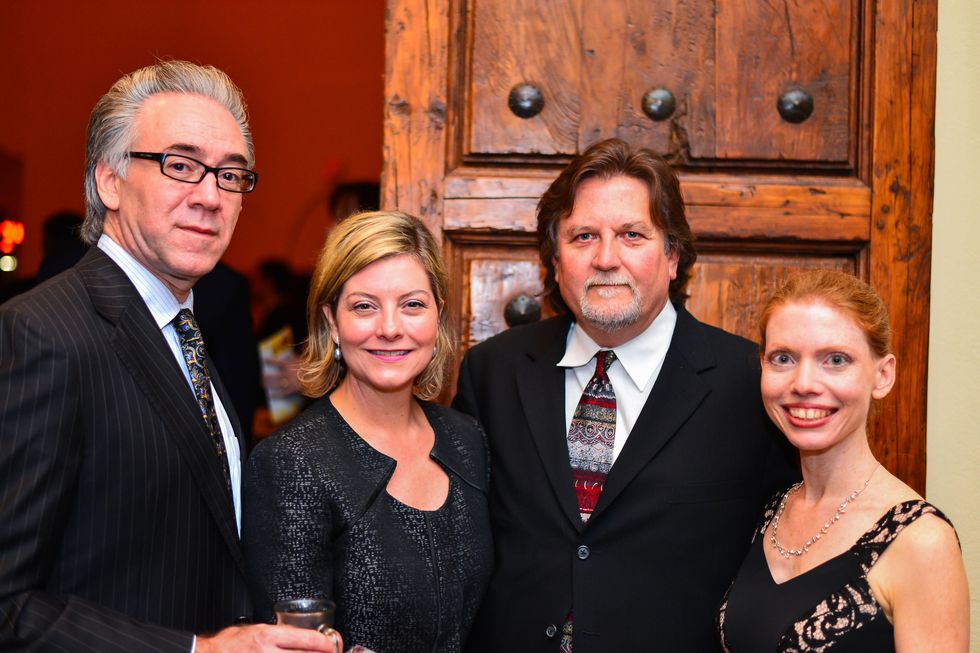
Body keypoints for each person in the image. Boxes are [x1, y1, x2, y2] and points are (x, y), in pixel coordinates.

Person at [0, 61, 333, 653]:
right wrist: (199, 650)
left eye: (231, 176)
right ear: (109, 181)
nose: (209, 196)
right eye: (180, 166)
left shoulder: (184, 329)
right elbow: (8, 606)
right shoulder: (43, 333)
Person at [453, 138, 799, 653]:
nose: (605, 258)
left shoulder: (748, 382)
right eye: (583, 236)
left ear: (673, 255)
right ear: (554, 258)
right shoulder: (493, 372)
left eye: (632, 235)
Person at [244, 210, 493, 653]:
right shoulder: (291, 461)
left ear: (438, 315)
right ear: (332, 321)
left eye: (412, 304)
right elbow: (289, 642)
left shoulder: (466, 439)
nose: (390, 328)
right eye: (364, 306)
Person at [718, 269, 969, 652]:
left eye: (835, 359)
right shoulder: (772, 509)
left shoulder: (921, 541)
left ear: (883, 375)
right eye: (783, 358)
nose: (803, 383)